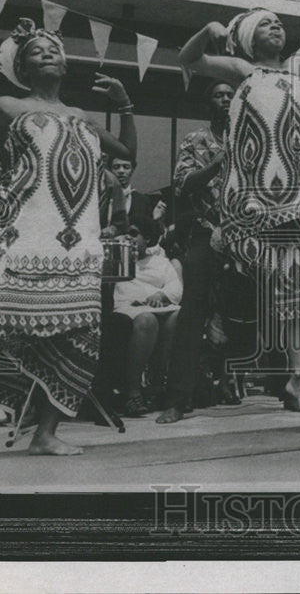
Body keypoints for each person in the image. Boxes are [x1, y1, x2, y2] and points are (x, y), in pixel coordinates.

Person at [0, 17, 137, 455]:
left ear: (65, 64)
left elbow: (127, 154)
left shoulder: (82, 117)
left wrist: (125, 105)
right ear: (23, 66)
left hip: (77, 240)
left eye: (53, 49)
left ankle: (45, 434)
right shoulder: (8, 106)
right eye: (36, 51)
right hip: (25, 233)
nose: (48, 53)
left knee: (77, 338)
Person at [178, 7, 300, 420]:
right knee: (287, 280)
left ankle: (299, 374)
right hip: (262, 196)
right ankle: (295, 373)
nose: (276, 26)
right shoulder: (245, 70)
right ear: (245, 38)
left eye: (279, 23)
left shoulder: (295, 73)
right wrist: (207, 27)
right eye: (264, 23)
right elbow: (189, 61)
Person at [156, 80, 235, 424]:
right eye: (219, 95)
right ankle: (177, 398)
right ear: (209, 103)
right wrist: (219, 163)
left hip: (249, 233)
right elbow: (182, 184)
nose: (226, 100)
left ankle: (290, 388)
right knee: (192, 312)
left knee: (276, 301)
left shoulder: (255, 137)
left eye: (231, 96)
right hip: (207, 230)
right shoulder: (195, 139)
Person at [110, 220, 182, 416]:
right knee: (147, 320)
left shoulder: (160, 262)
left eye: (134, 234)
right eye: (126, 234)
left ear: (147, 238)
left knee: (175, 317)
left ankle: (155, 385)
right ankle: (132, 391)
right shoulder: (117, 259)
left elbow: (175, 287)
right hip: (128, 305)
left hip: (158, 304)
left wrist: (161, 295)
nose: (129, 238)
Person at [109, 156, 166, 229]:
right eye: (116, 167)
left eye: (126, 167)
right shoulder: (103, 198)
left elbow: (148, 232)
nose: (121, 171)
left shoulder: (143, 201)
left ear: (132, 170)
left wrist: (155, 220)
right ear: (110, 170)